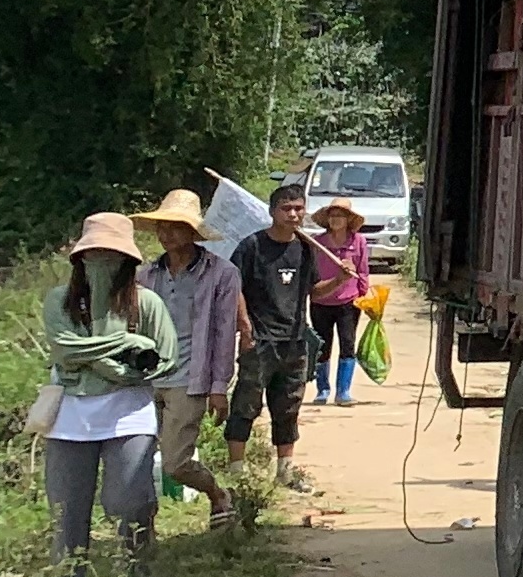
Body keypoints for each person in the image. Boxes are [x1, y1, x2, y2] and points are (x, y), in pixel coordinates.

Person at [41, 213, 175, 577]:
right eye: (94, 253)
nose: (101, 261)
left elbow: (166, 356)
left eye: (111, 254)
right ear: (80, 259)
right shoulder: (60, 302)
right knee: (68, 510)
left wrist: (118, 369)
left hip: (128, 415)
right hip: (69, 416)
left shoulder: (146, 303)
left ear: (128, 261)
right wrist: (128, 347)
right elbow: (65, 348)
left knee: (133, 502)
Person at [135, 190, 241, 517]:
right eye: (162, 227)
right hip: (146, 377)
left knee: (175, 462)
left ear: (193, 232)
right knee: (135, 459)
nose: (167, 234)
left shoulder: (220, 274)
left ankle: (217, 492)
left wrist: (219, 387)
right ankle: (142, 526)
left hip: (188, 377)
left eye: (176, 227)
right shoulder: (146, 276)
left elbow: (224, 332)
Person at [227, 180, 319, 489]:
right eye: (287, 208)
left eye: (298, 208)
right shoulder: (252, 246)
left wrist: (341, 280)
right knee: (246, 405)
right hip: (260, 340)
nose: (293, 214)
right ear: (272, 211)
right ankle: (236, 474)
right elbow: (233, 286)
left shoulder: (307, 248)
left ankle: (285, 474)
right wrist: (244, 324)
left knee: (288, 408)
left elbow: (314, 291)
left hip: (294, 341)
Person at [305, 200, 372, 404]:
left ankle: (343, 392)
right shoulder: (318, 242)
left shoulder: (358, 241)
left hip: (349, 303)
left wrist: (363, 295)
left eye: (340, 215)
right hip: (321, 301)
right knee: (322, 346)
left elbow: (363, 271)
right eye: (332, 215)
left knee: (347, 344)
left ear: (348, 220)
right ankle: (323, 389)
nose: (336, 219)